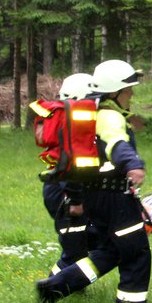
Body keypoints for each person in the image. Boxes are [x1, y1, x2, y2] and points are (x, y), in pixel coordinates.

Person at [37, 60, 151, 303]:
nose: (131, 93)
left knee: (109, 250)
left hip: (94, 198)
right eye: (128, 89)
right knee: (136, 252)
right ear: (114, 91)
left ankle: (55, 286)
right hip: (114, 198)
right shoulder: (109, 116)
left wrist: (77, 198)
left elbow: (78, 162)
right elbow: (116, 144)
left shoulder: (86, 117)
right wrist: (133, 165)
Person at [43, 73, 95, 276]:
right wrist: (75, 198)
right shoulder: (71, 124)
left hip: (61, 190)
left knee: (80, 244)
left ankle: (68, 284)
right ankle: (53, 286)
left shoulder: (65, 119)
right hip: (64, 193)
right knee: (75, 248)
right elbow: (71, 166)